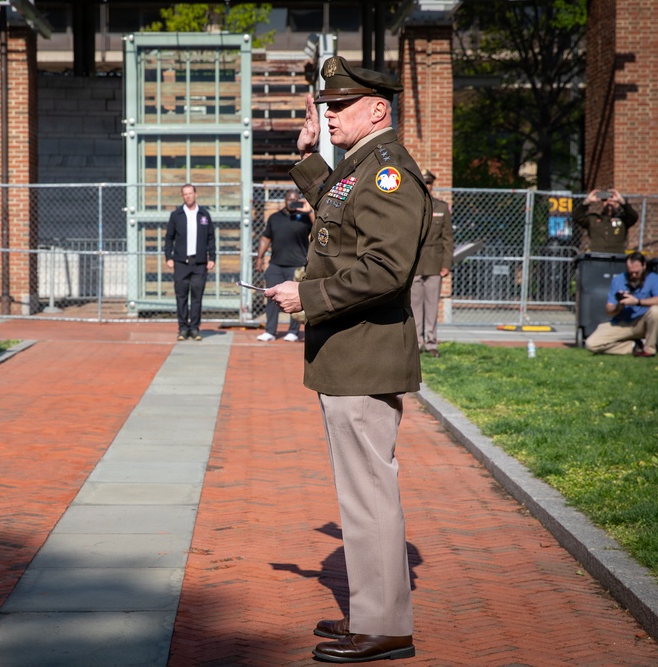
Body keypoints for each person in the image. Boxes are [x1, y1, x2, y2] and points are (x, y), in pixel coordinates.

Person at [265, 55, 430, 663]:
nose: (329, 114)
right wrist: (310, 154)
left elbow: (386, 267)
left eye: (339, 107)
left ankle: (384, 625)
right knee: (359, 492)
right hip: (349, 352)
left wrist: (306, 296)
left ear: (377, 109)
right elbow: (340, 215)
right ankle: (370, 613)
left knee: (368, 495)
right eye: (327, 106)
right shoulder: (361, 167)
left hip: (363, 353)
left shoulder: (389, 173)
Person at [256, 190, 312, 342]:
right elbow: (265, 238)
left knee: (295, 298)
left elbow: (319, 226)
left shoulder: (305, 217)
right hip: (276, 265)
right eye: (289, 199)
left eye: (295, 199)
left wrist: (310, 211)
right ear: (285, 201)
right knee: (271, 297)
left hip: (297, 265)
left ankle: (293, 331)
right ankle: (270, 331)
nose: (292, 202)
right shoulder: (275, 218)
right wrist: (259, 258)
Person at [410, 169, 453, 357]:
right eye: (424, 183)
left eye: (429, 183)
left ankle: (431, 341)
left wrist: (446, 264)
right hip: (415, 264)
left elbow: (447, 239)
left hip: (435, 265)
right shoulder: (412, 206)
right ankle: (417, 342)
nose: (427, 186)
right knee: (415, 306)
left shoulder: (441, 208)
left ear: (432, 185)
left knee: (432, 306)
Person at [164, 183, 216, 341]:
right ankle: (182, 328)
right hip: (181, 262)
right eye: (184, 194)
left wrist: (212, 257)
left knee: (197, 296)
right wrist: (169, 257)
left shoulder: (204, 215)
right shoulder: (176, 215)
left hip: (199, 263)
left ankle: (194, 328)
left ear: (196, 194)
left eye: (190, 193)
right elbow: (169, 238)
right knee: (181, 296)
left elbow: (211, 238)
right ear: (182, 196)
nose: (188, 196)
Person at [584, 252, 658, 357]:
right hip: (622, 323)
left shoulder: (654, 279)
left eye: (637, 272)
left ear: (644, 266)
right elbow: (609, 311)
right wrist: (619, 305)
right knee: (591, 344)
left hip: (643, 323)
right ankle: (634, 346)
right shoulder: (618, 280)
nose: (633, 275)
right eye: (630, 272)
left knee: (655, 311)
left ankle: (649, 349)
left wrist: (637, 301)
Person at [573, 188, 638, 254]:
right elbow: (576, 216)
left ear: (617, 204)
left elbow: (634, 216)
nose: (609, 202)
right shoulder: (593, 219)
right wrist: (587, 201)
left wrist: (622, 201)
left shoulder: (623, 220)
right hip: (596, 255)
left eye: (612, 200)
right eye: (605, 200)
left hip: (617, 256)